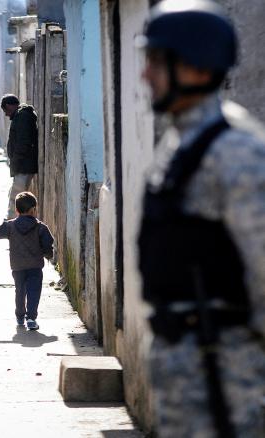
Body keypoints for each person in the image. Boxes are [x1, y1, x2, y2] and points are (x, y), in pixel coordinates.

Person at [136, 1, 265, 436]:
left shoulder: (235, 153)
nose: (145, 75)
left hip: (229, 380)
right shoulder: (179, 145)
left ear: (194, 68)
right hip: (188, 380)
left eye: (155, 61)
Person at [0, 192, 54, 331]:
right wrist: (48, 254)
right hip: (35, 267)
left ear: (17, 210)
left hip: (17, 266)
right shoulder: (41, 227)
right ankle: (31, 318)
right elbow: (48, 244)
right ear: (34, 210)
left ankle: (20, 316)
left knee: (20, 290)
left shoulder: (10, 226)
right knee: (33, 291)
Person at [0, 94, 38, 219]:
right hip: (23, 164)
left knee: (16, 195)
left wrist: (16, 160)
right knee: (17, 193)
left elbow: (23, 142)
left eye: (5, 110)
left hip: (23, 165)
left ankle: (11, 220)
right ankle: (14, 218)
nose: (6, 114)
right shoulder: (21, 116)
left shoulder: (22, 117)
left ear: (9, 106)